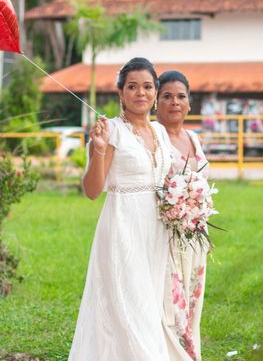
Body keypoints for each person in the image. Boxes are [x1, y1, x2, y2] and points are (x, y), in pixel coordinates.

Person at [69, 57, 179, 360]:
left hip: (155, 230)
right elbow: (92, 191)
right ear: (121, 92)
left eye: (147, 86)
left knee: (147, 303)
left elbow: (167, 180)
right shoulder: (111, 130)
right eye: (132, 86)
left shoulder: (160, 132)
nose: (140, 93)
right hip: (123, 227)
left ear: (156, 91)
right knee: (129, 305)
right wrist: (100, 149)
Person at [157, 70, 209, 361]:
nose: (174, 102)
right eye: (167, 96)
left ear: (189, 103)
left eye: (180, 96)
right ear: (156, 102)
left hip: (196, 237)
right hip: (165, 235)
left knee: (192, 303)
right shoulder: (152, 137)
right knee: (169, 304)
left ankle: (191, 355)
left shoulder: (194, 138)